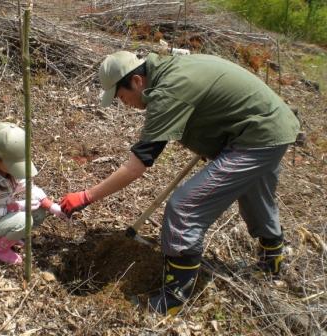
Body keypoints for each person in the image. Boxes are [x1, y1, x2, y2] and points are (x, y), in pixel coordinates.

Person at [60, 51, 300, 315]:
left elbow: (138, 162)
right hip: (271, 125)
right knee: (256, 197)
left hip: (257, 136)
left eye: (120, 96)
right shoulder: (170, 70)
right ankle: (271, 266)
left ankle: (173, 299)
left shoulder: (168, 92)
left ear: (137, 81)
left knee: (184, 207)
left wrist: (86, 197)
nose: (123, 103)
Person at [0, 122, 66, 265]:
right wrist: (18, 206)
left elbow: (29, 187)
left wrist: (51, 206)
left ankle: (8, 236)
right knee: (24, 220)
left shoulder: (8, 171)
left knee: (39, 212)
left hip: (1, 214)